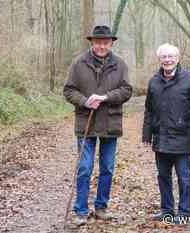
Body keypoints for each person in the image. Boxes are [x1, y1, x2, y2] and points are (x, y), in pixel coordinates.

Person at [63, 25, 132, 226]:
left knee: (107, 168)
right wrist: (85, 101)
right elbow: (68, 90)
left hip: (111, 124)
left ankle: (101, 207)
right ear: (92, 42)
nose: (102, 46)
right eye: (98, 42)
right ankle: (81, 211)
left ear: (111, 43)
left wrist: (106, 97)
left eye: (105, 42)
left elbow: (127, 90)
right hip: (86, 123)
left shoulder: (120, 65)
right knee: (84, 168)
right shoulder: (78, 63)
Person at [142, 43, 190, 223]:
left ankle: (185, 213)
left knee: (184, 178)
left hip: (183, 138)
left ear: (178, 59)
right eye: (164, 57)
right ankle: (167, 210)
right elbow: (149, 110)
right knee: (163, 176)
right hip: (161, 138)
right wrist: (146, 135)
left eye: (171, 56)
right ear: (160, 59)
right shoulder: (154, 81)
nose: (167, 60)